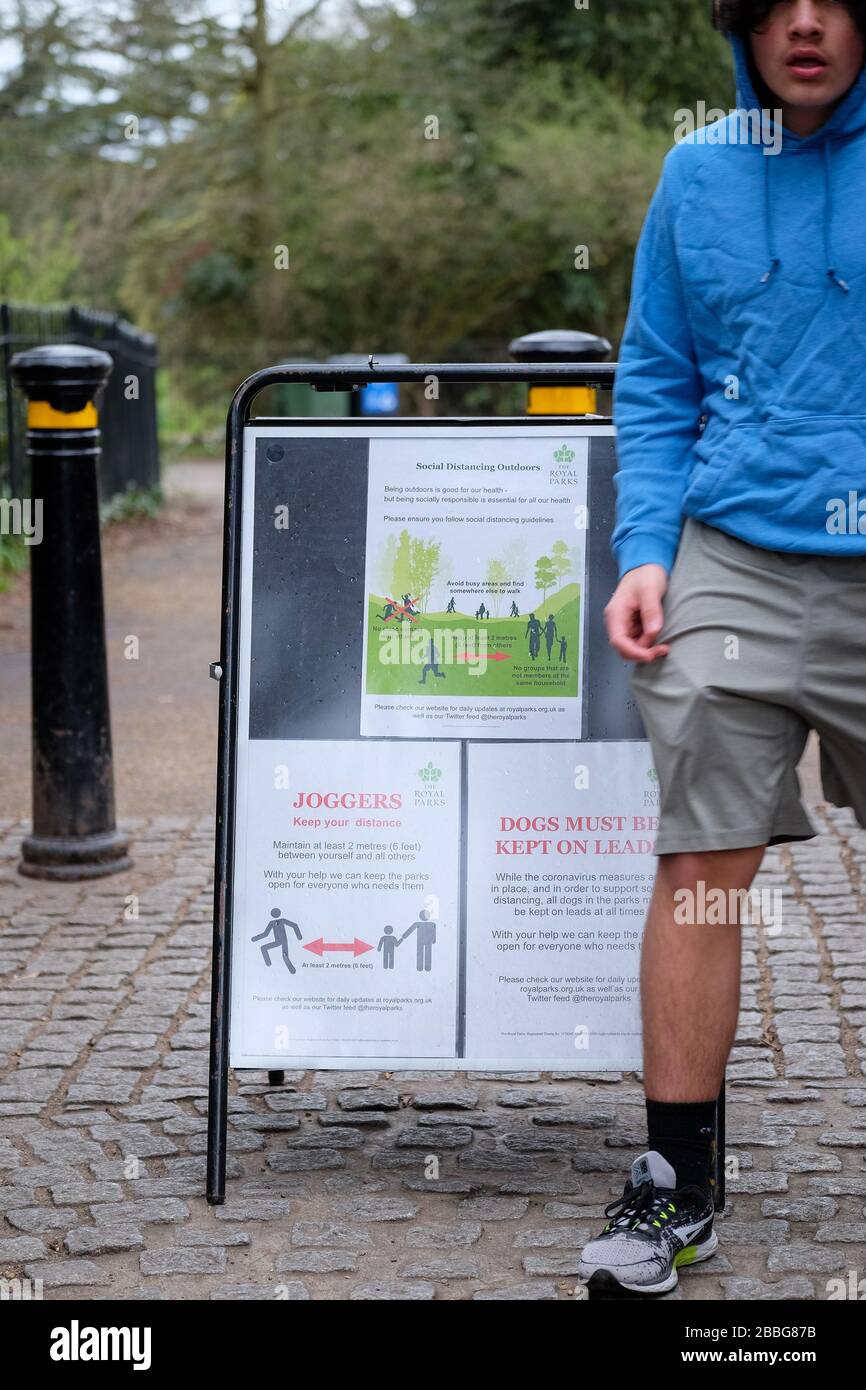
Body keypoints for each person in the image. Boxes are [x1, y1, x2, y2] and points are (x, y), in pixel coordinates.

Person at [579, 0, 866, 1297]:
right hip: (732, 559)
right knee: (699, 865)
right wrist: (644, 549)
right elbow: (655, 374)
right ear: (742, 23)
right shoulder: (696, 169)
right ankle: (672, 1181)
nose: (804, 21)